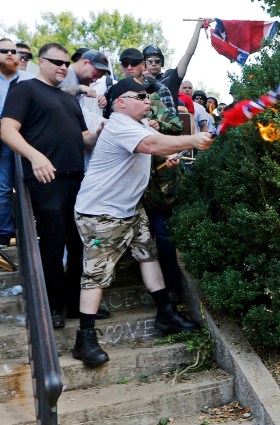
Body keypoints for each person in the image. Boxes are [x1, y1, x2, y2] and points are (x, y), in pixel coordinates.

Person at [72, 77, 213, 367]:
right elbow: (149, 144)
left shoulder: (137, 126)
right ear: (120, 102)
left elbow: (150, 148)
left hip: (130, 210)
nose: (147, 100)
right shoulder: (119, 123)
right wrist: (191, 140)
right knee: (96, 273)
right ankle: (84, 338)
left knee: (149, 256)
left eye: (148, 96)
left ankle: (166, 312)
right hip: (101, 214)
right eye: (139, 96)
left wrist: (169, 154)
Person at [0, 43, 99, 328]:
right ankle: (52, 306)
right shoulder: (25, 89)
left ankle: (75, 306)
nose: (63, 67)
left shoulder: (68, 100)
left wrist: (98, 133)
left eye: (66, 63)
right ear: (40, 62)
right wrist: (34, 156)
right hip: (47, 178)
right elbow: (7, 129)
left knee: (79, 243)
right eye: (56, 61)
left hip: (76, 179)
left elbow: (83, 138)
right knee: (53, 243)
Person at [0, 38, 35, 247]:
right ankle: (4, 234)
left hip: (29, 139)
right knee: (3, 189)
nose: (10, 54)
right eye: (4, 50)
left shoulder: (30, 80)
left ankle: (33, 234)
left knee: (32, 187)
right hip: (4, 142)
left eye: (13, 51)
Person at [143, 19, 205, 108]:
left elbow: (188, 54)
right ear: (144, 63)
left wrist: (198, 27)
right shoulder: (139, 83)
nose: (153, 63)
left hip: (171, 120)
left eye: (157, 60)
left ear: (162, 62)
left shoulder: (171, 76)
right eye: (150, 60)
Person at [119, 48, 177, 116]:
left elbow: (172, 125)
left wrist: (152, 122)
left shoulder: (159, 89)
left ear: (143, 65)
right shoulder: (113, 89)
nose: (129, 68)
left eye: (134, 63)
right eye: (125, 64)